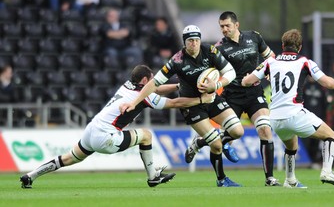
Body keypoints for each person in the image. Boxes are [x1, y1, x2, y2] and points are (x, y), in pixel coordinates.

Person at [20, 65, 216, 189]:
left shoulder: (128, 85)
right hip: (106, 136)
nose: (155, 83)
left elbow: (155, 88)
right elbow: (175, 104)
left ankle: (31, 176)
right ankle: (153, 177)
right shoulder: (145, 95)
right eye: (153, 80)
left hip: (91, 130)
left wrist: (175, 86)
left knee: (69, 157)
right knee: (146, 135)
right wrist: (201, 98)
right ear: (146, 81)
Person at [120, 25, 245, 187]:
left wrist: (216, 85)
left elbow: (230, 72)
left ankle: (198, 143)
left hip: (211, 97)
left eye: (196, 40)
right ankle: (222, 180)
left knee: (238, 131)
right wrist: (134, 102)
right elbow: (154, 83)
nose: (194, 43)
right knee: (216, 144)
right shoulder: (177, 60)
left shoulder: (210, 51)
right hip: (191, 105)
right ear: (185, 43)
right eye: (190, 41)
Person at [242, 29, 334, 188]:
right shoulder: (305, 61)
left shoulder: (270, 62)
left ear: (282, 45)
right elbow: (327, 83)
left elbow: (247, 81)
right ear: (299, 47)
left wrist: (245, 79)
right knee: (330, 135)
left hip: (276, 119)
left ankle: (290, 180)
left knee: (291, 146)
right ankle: (327, 171)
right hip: (294, 113)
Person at [189, 11, 280, 186]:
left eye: (227, 26)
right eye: (221, 26)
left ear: (236, 25)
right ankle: (204, 142)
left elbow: (270, 57)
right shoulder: (219, 48)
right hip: (232, 95)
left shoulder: (254, 37)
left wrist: (270, 71)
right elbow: (209, 71)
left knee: (265, 130)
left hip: (254, 93)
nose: (224, 29)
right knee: (234, 133)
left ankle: (270, 178)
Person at [302, 76, 328, 169]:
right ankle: (305, 160)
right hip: (305, 118)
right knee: (306, 140)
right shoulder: (303, 86)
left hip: (318, 117)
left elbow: (324, 104)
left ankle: (313, 160)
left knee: (316, 140)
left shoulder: (321, 87)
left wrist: (324, 118)